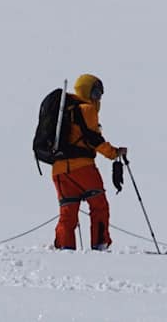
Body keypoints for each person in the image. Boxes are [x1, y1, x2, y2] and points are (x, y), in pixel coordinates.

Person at [50, 74, 126, 250]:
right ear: (87, 91)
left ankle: (64, 249)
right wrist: (114, 153)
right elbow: (93, 139)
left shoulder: (65, 111)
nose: (98, 98)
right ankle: (99, 245)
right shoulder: (87, 110)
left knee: (68, 213)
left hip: (59, 171)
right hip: (83, 168)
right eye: (96, 93)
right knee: (99, 206)